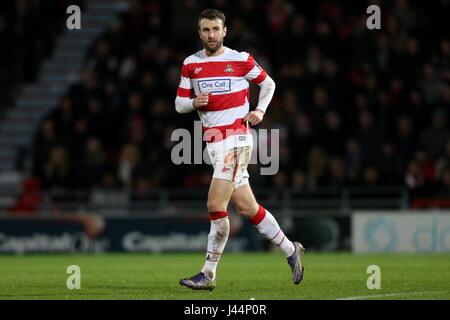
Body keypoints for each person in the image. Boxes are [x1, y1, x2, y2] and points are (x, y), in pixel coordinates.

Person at [175, 9, 304, 291]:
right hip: (214, 145)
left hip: (237, 140)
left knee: (214, 205)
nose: (211, 34)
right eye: (206, 30)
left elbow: (268, 83)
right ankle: (290, 249)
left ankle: (208, 273)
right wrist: (194, 102)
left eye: (216, 29)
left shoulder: (240, 59)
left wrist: (259, 110)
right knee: (248, 208)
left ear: (225, 31)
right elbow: (179, 104)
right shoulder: (190, 64)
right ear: (199, 33)